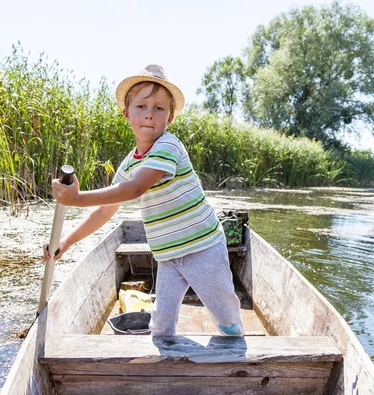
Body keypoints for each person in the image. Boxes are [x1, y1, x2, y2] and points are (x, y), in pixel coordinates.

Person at [43, 64, 244, 336]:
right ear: (127, 114)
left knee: (227, 320)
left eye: (159, 109)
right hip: (168, 256)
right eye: (142, 107)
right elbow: (107, 209)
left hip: (203, 248)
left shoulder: (168, 146)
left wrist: (76, 198)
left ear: (169, 118)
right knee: (161, 327)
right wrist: (67, 241)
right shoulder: (129, 163)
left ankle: (236, 350)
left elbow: (136, 189)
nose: (150, 114)